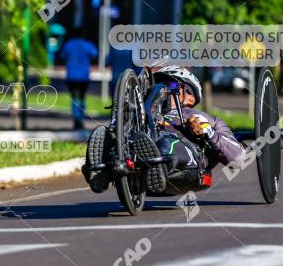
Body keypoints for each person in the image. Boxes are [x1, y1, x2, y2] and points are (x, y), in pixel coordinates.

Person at [84, 66, 245, 194]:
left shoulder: (205, 118)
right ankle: (101, 170)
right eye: (159, 85)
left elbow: (239, 159)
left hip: (186, 155)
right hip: (141, 141)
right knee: (112, 136)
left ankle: (156, 165)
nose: (164, 90)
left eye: (172, 85)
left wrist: (207, 132)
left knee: (167, 143)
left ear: (191, 98)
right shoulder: (141, 114)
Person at [59, 26, 98, 130]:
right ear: (83, 35)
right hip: (84, 76)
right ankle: (81, 118)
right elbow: (95, 54)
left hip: (71, 75)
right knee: (82, 97)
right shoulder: (87, 45)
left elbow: (62, 55)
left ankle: (76, 118)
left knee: (74, 97)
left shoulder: (69, 44)